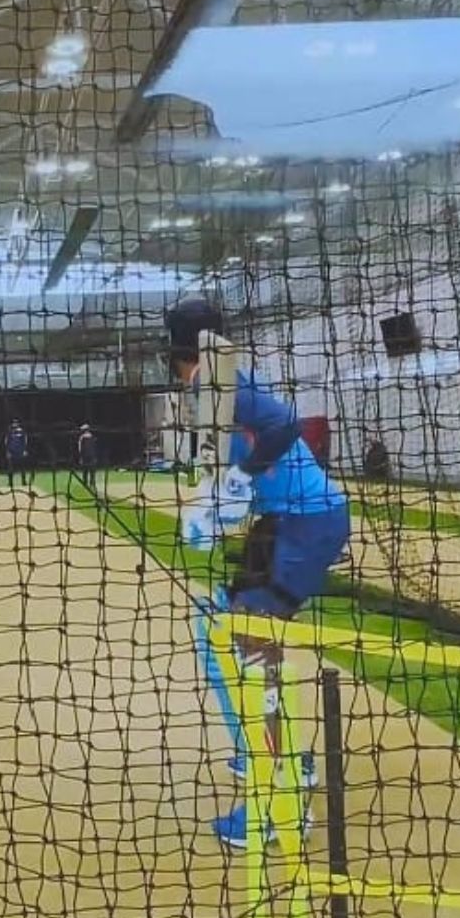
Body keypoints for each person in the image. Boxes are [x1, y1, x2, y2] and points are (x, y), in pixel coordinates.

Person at [166, 296, 349, 848]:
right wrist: (217, 501)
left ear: (175, 350)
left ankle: (278, 803)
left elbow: (285, 426)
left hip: (303, 525)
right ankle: (284, 760)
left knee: (248, 645)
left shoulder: (211, 383)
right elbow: (243, 461)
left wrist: (241, 476)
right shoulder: (222, 380)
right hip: (287, 521)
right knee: (222, 630)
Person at [4, 419, 32, 487]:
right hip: (12, 452)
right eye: (14, 423)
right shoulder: (9, 431)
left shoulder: (22, 431)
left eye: (16, 423)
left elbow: (25, 441)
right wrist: (7, 451)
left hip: (20, 451)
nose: (15, 424)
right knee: (10, 467)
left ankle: (23, 481)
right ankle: (10, 482)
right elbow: (6, 442)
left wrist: (25, 450)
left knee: (22, 467)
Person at [76, 424, 100, 489]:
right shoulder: (93, 437)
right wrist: (95, 456)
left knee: (85, 470)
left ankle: (85, 483)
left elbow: (80, 448)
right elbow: (95, 448)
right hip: (92, 455)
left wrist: (80, 457)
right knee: (92, 470)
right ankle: (92, 483)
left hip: (85, 456)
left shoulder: (82, 438)